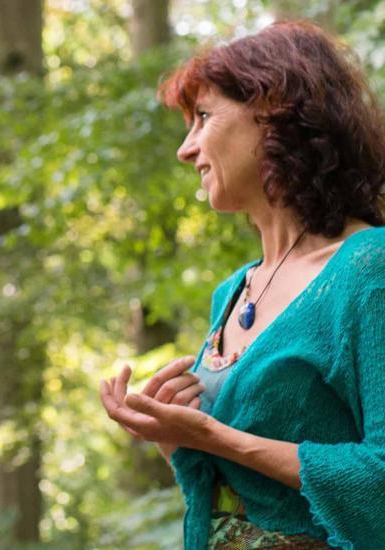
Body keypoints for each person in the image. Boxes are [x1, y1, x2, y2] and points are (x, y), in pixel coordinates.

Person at [99, 20, 385, 550]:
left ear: (274, 112)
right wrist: (174, 436)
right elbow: (232, 495)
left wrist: (214, 436)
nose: (187, 150)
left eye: (203, 117)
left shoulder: (370, 268)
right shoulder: (232, 292)